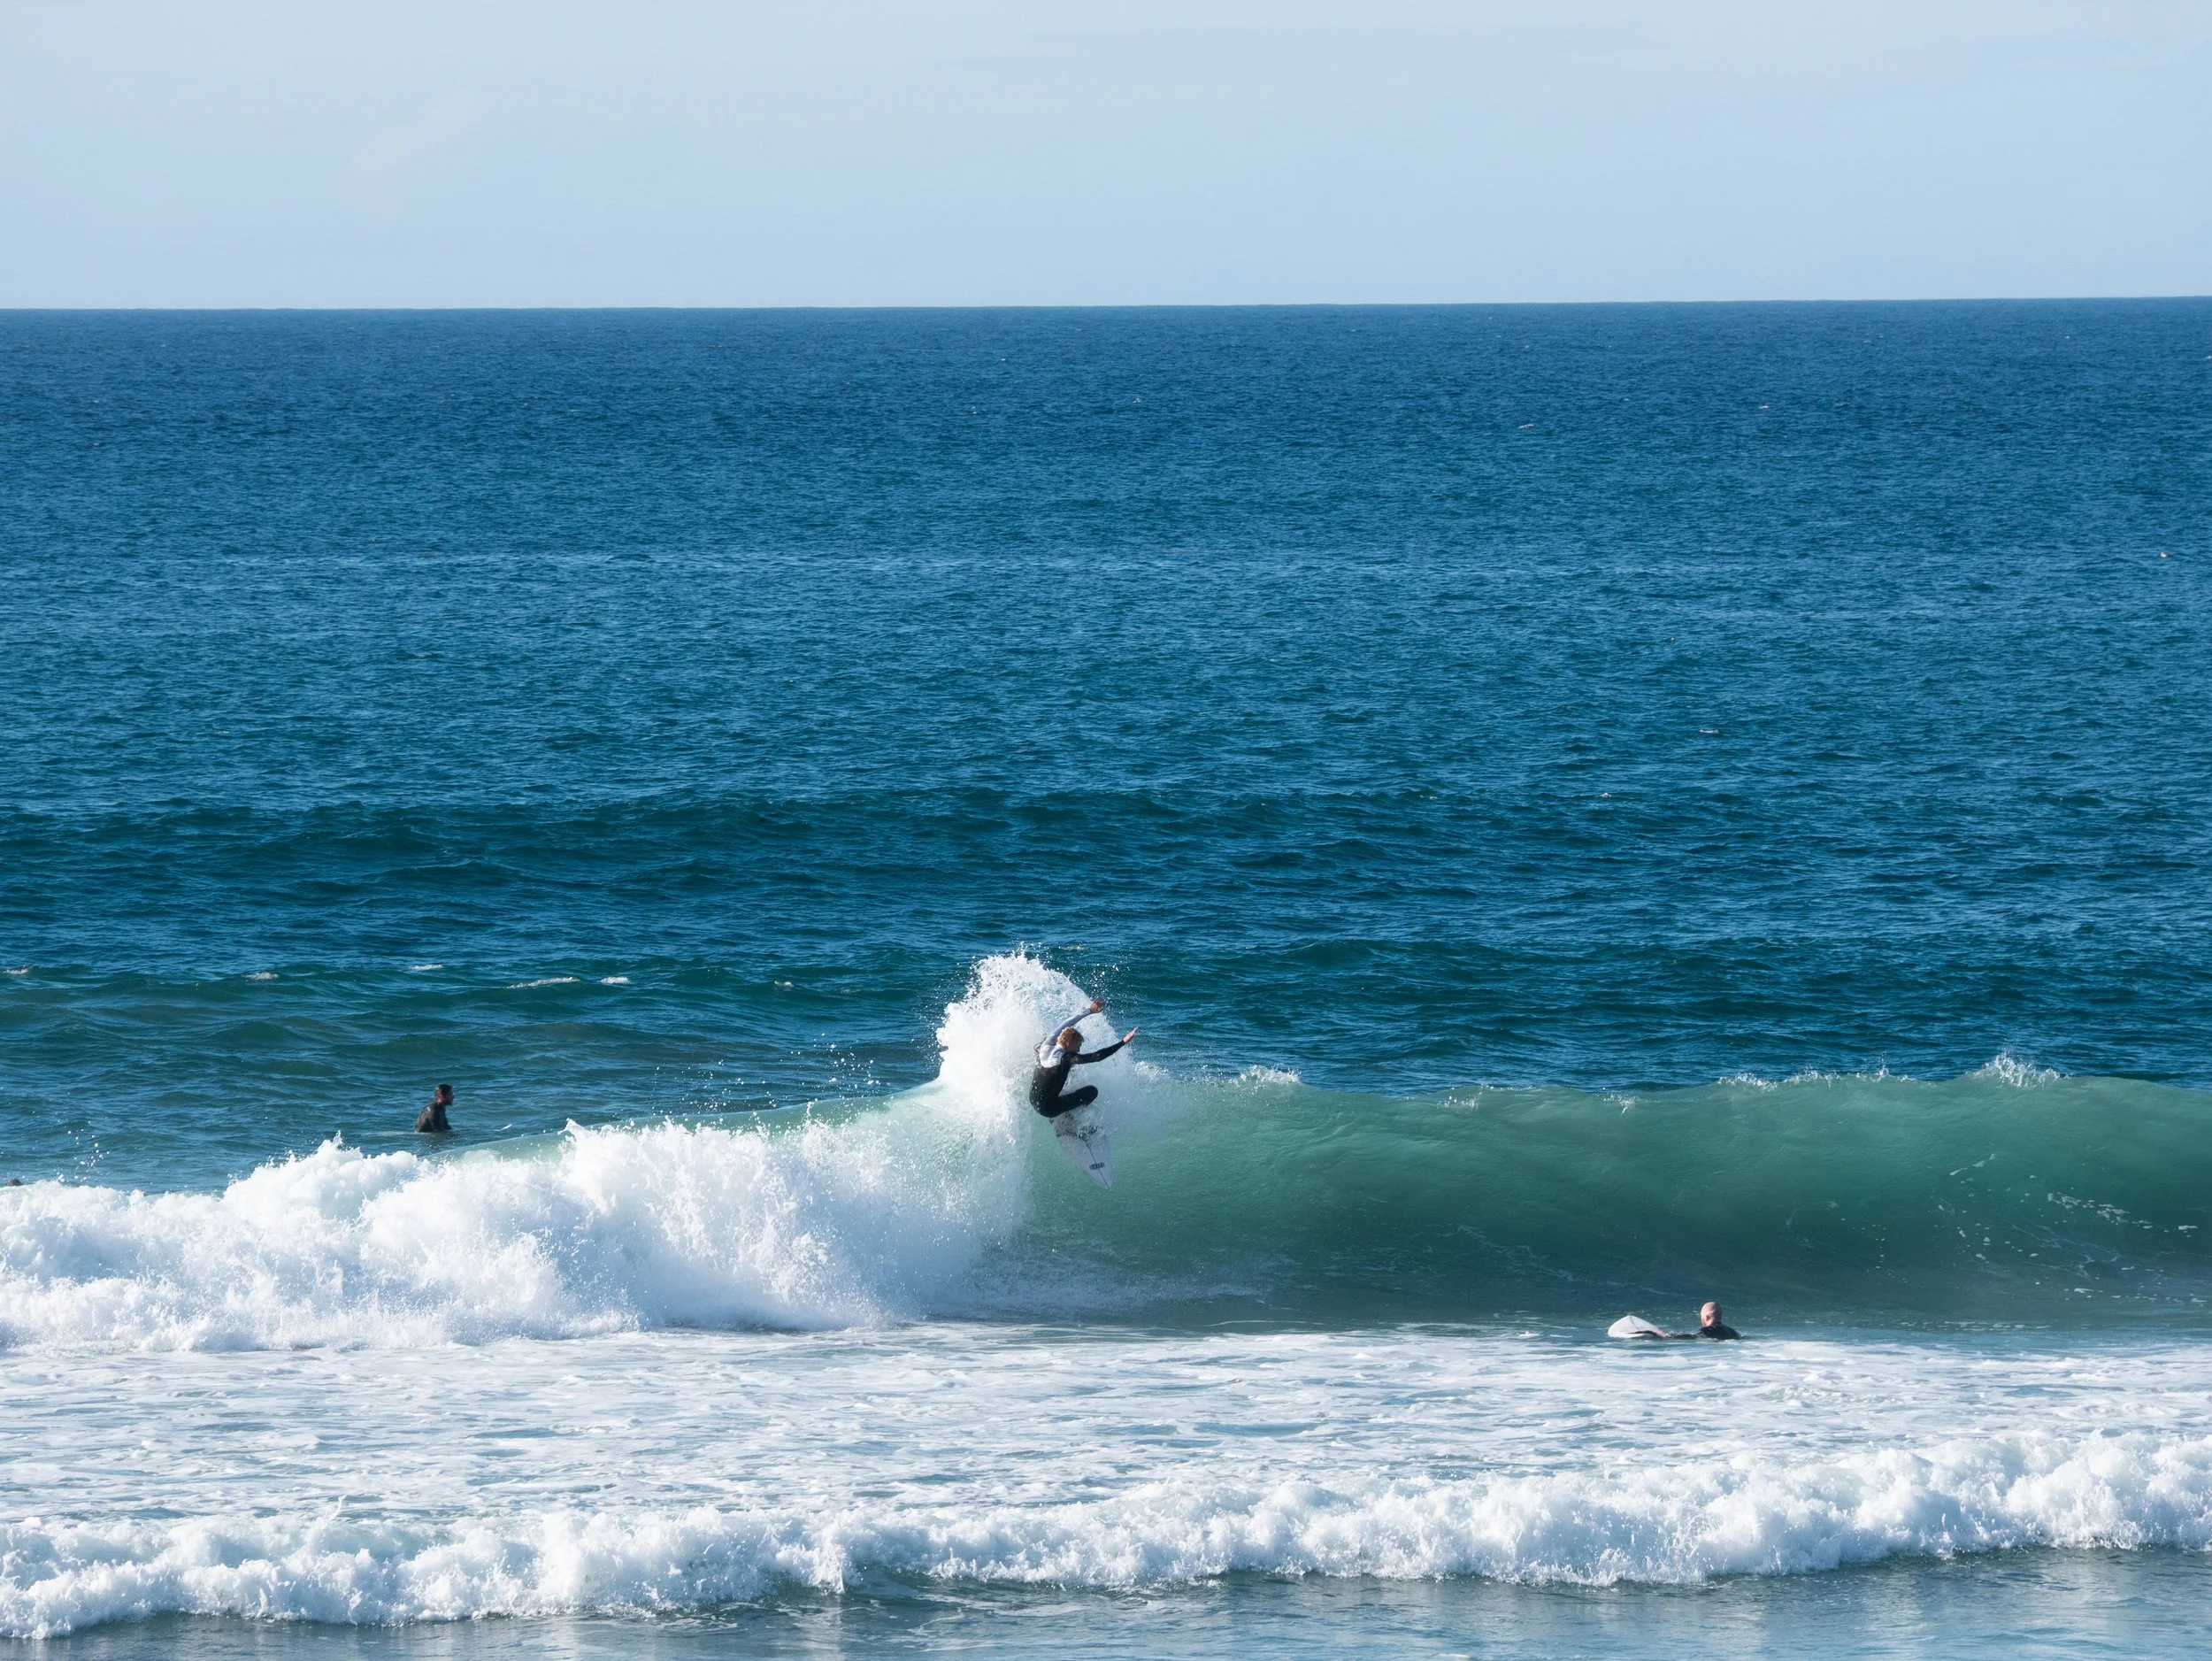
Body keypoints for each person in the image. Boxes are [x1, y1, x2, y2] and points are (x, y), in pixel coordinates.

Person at [1029, 997, 1138, 1119]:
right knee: (1091, 1092)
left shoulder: (1047, 1045)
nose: (1079, 1050)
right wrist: (1123, 1042)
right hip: (1048, 1109)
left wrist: (1090, 1010)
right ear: (1069, 1043)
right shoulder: (1066, 1058)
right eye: (1078, 1046)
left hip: (1033, 1100)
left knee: (1055, 1062)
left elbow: (1066, 1023)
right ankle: (1071, 1121)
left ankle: (1062, 1107)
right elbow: (1097, 1056)